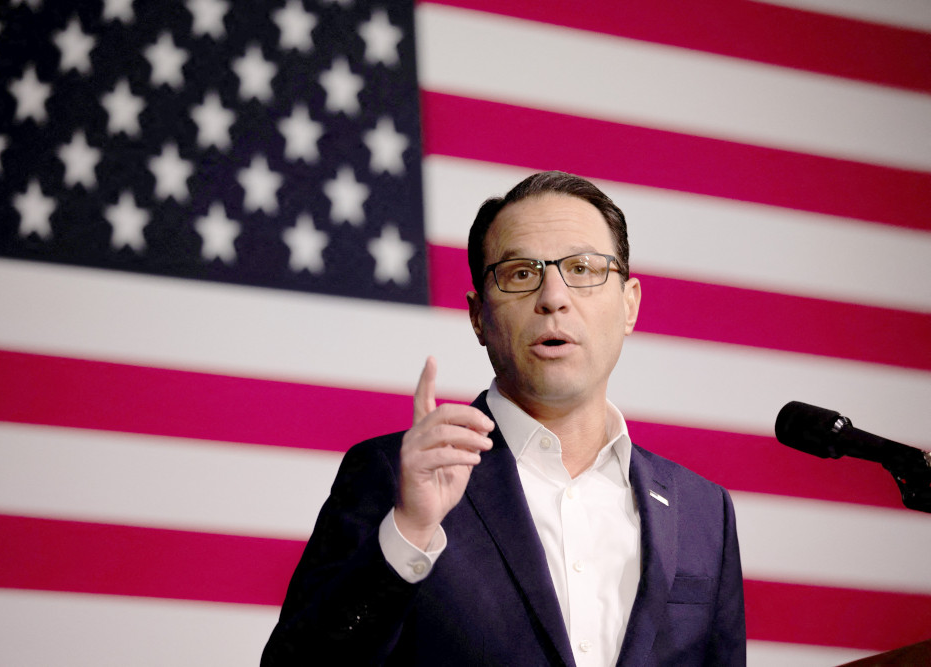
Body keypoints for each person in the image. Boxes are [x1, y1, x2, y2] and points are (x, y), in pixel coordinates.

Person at [261, 171, 746, 666]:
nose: (554, 297)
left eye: (582, 268)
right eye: (520, 273)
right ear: (478, 316)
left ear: (629, 305)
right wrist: (408, 533)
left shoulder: (704, 512)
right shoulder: (394, 478)